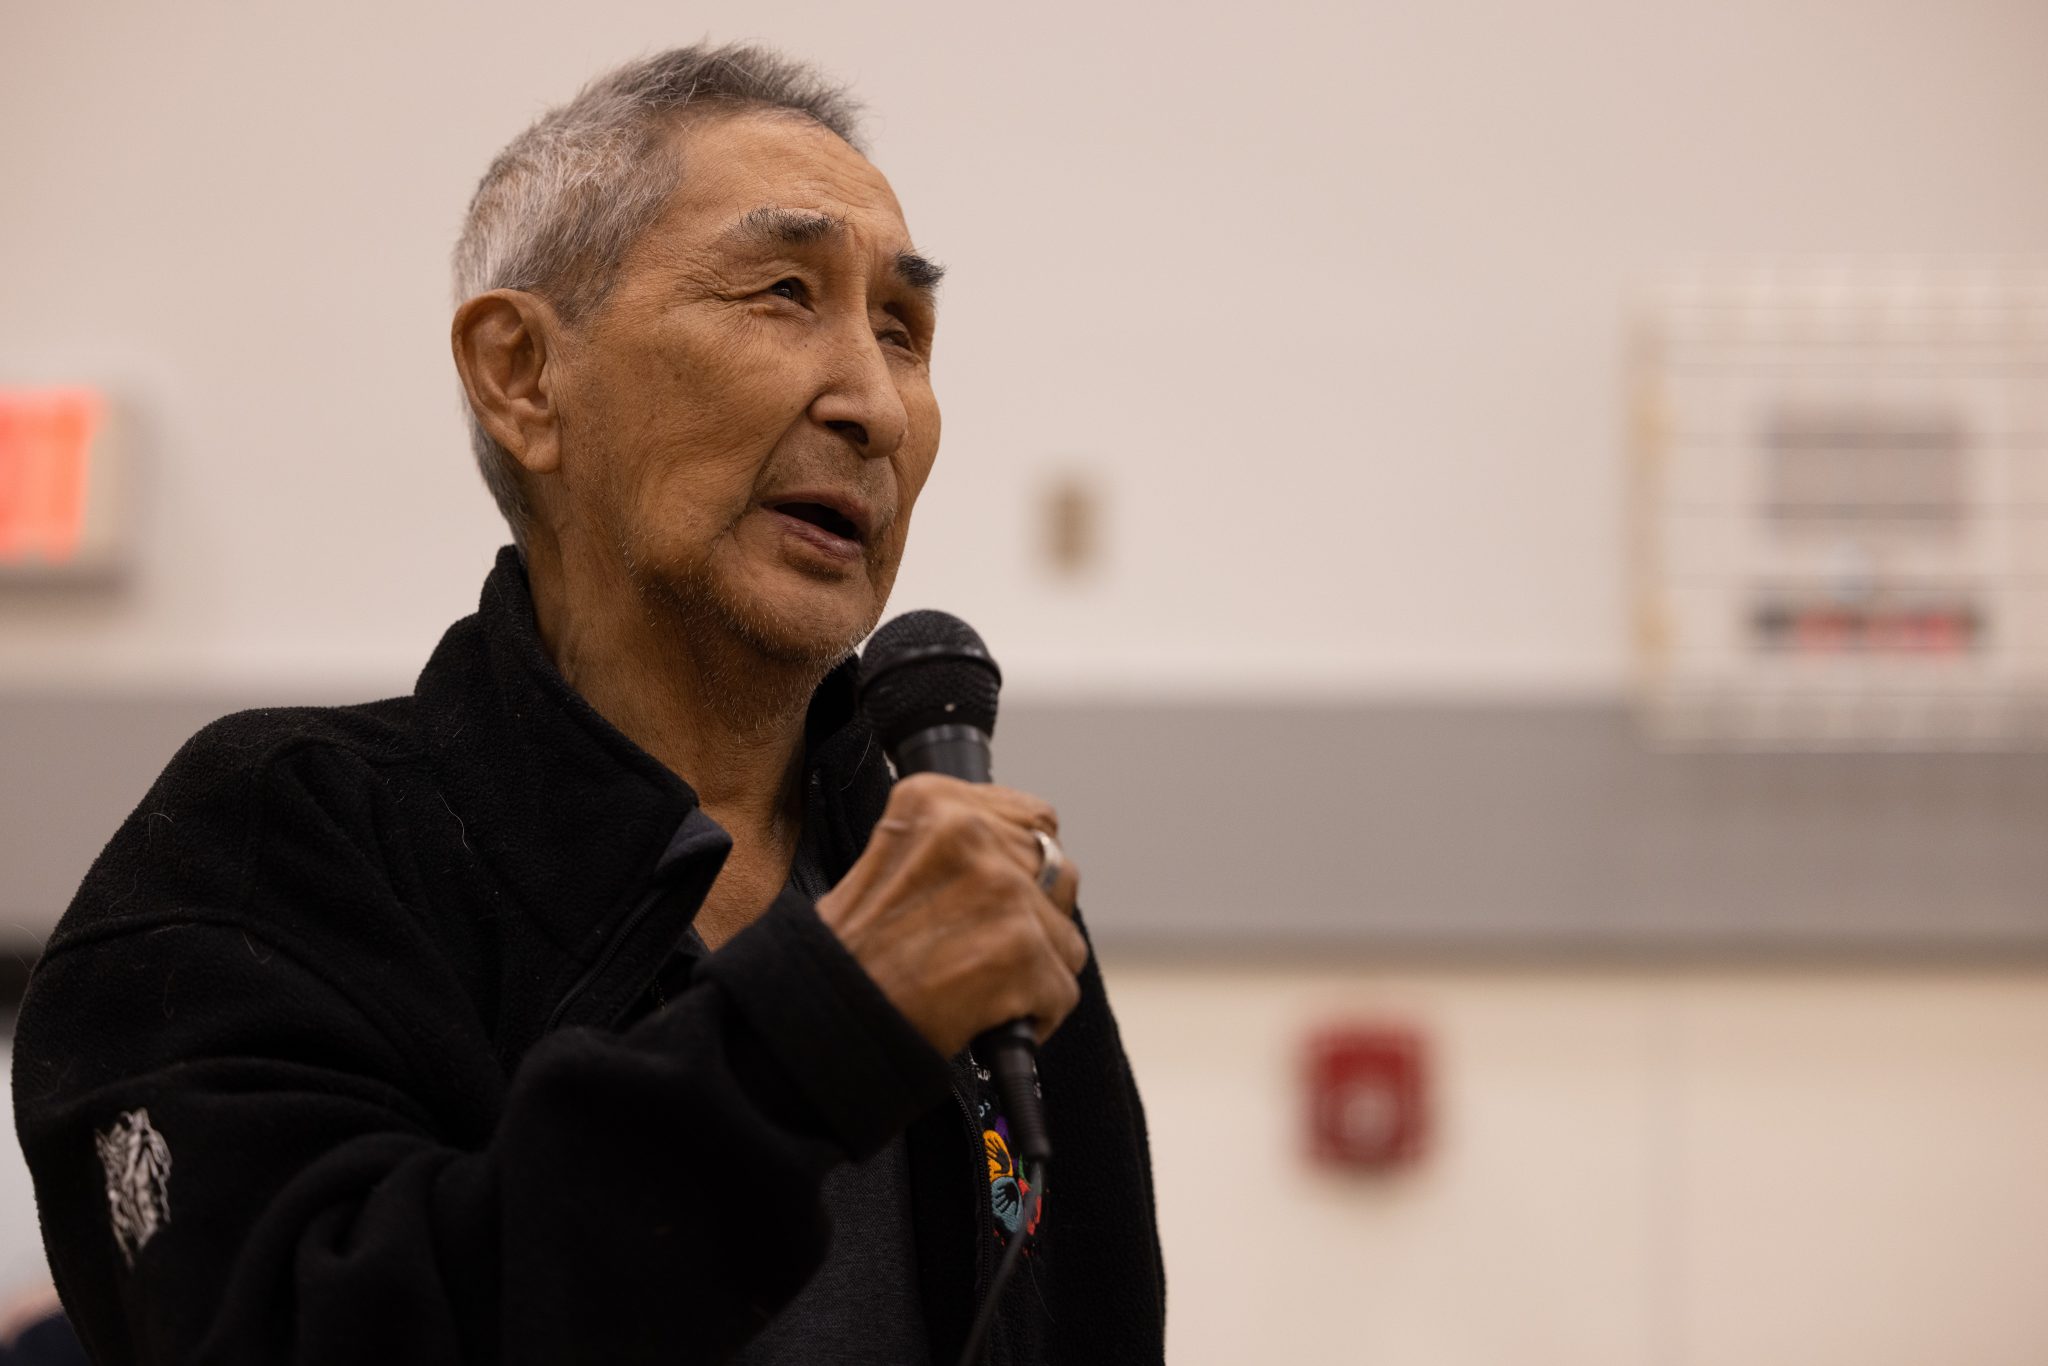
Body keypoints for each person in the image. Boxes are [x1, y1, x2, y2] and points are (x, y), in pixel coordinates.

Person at [10, 44, 1165, 1365]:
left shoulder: (976, 907)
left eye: (903, 330)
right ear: (521, 374)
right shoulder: (272, 851)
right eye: (783, 292)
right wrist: (820, 1032)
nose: (874, 406)